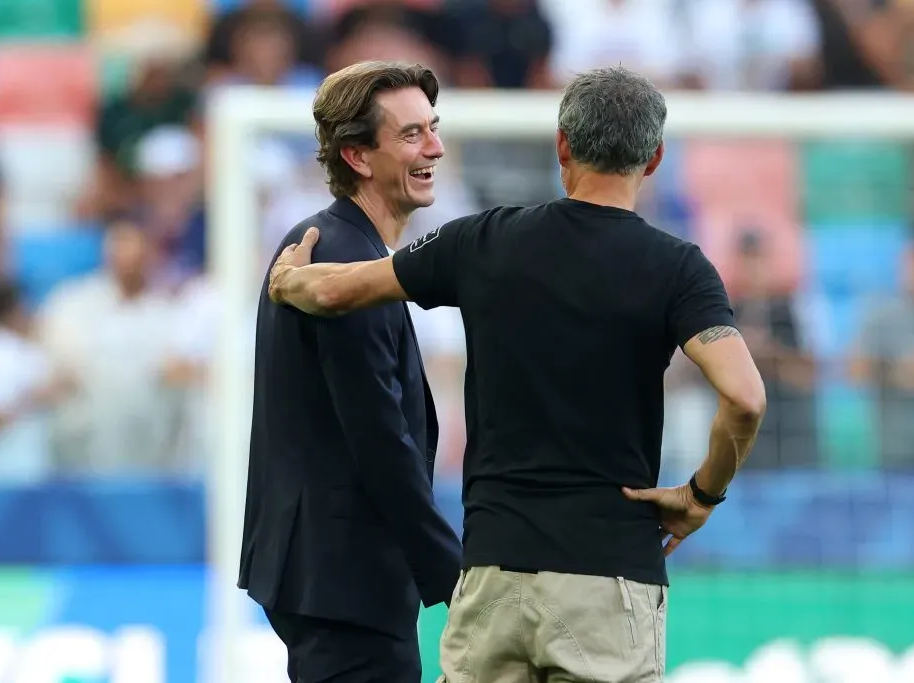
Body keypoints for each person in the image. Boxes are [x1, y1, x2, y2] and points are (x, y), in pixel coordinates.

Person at [269, 66, 767, 682]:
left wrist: (289, 280)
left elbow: (344, 288)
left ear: (562, 144)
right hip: (607, 580)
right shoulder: (680, 269)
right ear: (655, 157)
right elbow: (744, 398)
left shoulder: (484, 240)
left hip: (494, 575)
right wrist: (700, 496)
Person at [239, 61, 463, 683]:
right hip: (345, 579)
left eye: (433, 129)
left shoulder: (342, 250)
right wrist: (449, 572)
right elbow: (377, 432)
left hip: (337, 575)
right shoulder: (335, 258)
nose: (434, 148)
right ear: (358, 157)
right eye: (413, 134)